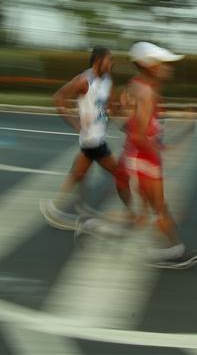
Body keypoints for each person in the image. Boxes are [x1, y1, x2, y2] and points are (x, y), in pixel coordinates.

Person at [120, 41, 197, 269]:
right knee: (160, 209)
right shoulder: (145, 91)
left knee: (154, 210)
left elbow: (138, 126)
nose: (168, 67)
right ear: (148, 65)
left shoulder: (138, 86)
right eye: (162, 63)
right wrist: (159, 156)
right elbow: (138, 135)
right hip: (143, 161)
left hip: (141, 158)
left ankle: (167, 249)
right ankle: (175, 251)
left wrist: (169, 141)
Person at [41, 46, 133, 230]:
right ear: (98, 60)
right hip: (93, 141)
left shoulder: (108, 80)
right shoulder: (84, 80)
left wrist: (121, 106)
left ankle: (57, 208)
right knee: (121, 174)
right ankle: (133, 214)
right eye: (109, 59)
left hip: (95, 138)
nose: (112, 62)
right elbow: (58, 98)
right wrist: (75, 122)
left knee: (78, 174)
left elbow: (110, 110)